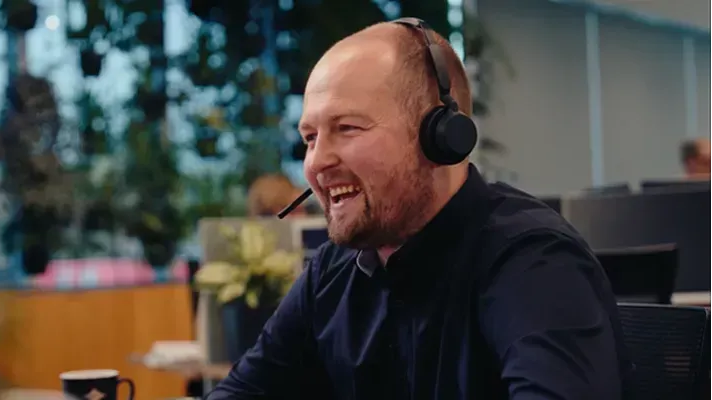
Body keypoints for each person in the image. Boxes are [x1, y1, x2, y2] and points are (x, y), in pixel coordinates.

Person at [207, 19, 631, 400]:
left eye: (347, 128)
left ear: (441, 136)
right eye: (311, 137)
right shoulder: (332, 273)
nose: (316, 162)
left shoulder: (533, 264)